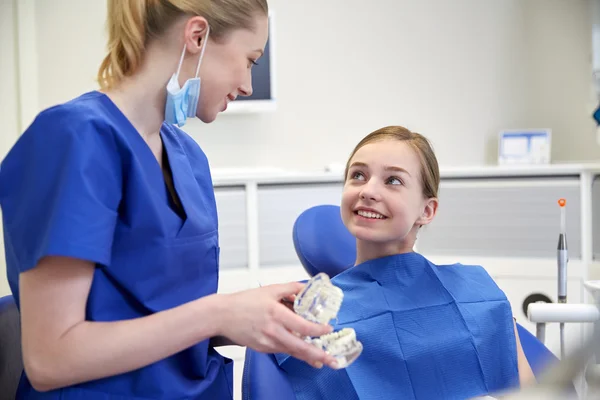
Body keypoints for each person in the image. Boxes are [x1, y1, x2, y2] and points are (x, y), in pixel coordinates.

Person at [0, 0, 338, 398]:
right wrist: (218, 312)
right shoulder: (74, 139)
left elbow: (166, 322)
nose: (247, 85)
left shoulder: (188, 157)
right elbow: (49, 359)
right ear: (197, 36)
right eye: (250, 60)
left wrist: (248, 317)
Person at [275, 126, 536, 400]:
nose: (368, 190)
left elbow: (529, 393)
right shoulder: (308, 316)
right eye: (358, 175)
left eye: (393, 181)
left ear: (427, 210)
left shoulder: (478, 294)